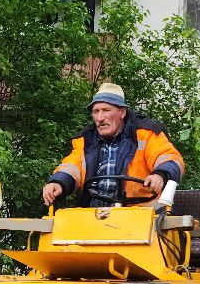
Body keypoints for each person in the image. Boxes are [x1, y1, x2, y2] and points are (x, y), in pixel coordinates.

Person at [41, 83, 184, 208]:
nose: (99, 118)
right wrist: (58, 182)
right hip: (95, 217)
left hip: (142, 216)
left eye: (106, 110)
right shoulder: (85, 140)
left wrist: (160, 175)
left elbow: (171, 159)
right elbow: (72, 166)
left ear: (122, 112)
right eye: (96, 112)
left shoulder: (146, 133)